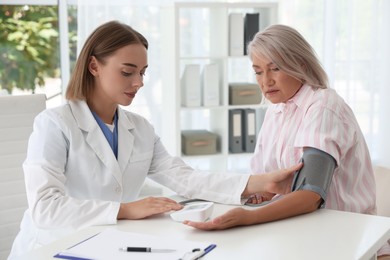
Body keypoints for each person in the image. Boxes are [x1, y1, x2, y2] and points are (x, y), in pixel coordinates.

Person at [8, 21, 303, 259]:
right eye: (127, 72)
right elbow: (46, 208)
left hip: (106, 246)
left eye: (142, 73)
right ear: (94, 66)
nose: (138, 83)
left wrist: (260, 182)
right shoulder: (54, 124)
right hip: (51, 249)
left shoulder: (140, 128)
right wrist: (126, 209)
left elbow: (186, 179)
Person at [183, 24, 390, 258]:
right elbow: (265, 181)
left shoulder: (322, 106)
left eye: (275, 69)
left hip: (341, 238)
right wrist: (263, 193)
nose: (266, 81)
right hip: (294, 232)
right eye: (258, 71)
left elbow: (310, 196)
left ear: (300, 65)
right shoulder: (277, 110)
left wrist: (249, 217)